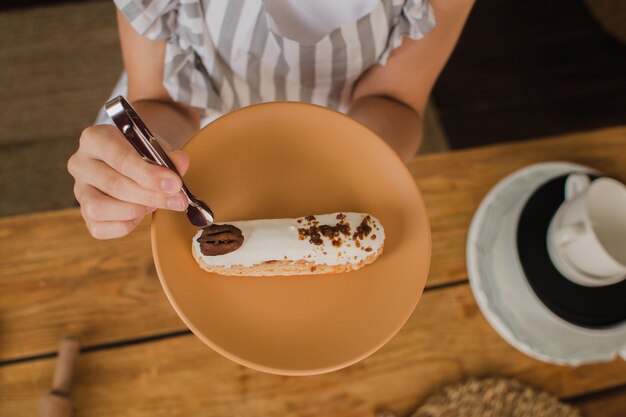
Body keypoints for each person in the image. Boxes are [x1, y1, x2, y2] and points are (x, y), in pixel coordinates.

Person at [68, 0, 474, 240]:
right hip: (196, 146)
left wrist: (347, 166)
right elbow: (161, 99)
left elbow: (396, 101)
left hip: (341, 146)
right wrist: (138, 157)